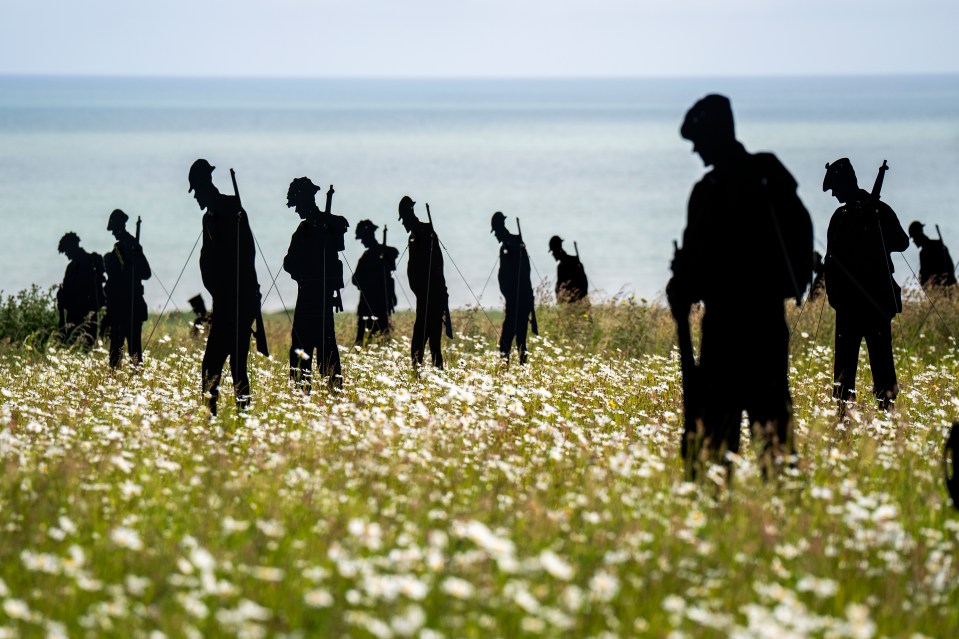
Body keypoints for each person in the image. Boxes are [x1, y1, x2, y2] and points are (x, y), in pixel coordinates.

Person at [667, 94, 812, 476]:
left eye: (698, 140)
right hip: (767, 325)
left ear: (715, 134)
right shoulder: (768, 178)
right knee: (775, 435)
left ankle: (720, 517)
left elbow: (696, 269)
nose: (696, 150)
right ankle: (785, 509)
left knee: (716, 445)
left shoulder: (710, 191)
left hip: (726, 331)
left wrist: (681, 285)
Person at [823, 158, 909, 413]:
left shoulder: (870, 212)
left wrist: (876, 231)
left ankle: (883, 417)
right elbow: (831, 261)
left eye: (835, 187)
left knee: (877, 366)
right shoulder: (844, 216)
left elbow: (900, 242)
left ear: (846, 182)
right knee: (848, 369)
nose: (834, 193)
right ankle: (847, 417)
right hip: (858, 305)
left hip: (868, 304)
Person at [188, 159, 266, 415]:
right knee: (211, 367)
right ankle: (211, 415)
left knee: (236, 367)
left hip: (239, 301)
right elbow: (208, 257)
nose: (196, 197)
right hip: (222, 301)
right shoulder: (208, 217)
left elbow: (247, 254)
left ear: (205, 185)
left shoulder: (232, 208)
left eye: (197, 191)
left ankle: (241, 416)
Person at [283, 177, 348, 391]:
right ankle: (329, 391)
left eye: (297, 204)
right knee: (320, 346)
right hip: (317, 297)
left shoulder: (316, 227)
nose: (296, 210)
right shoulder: (313, 227)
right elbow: (290, 264)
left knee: (311, 347)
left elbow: (290, 263)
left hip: (313, 298)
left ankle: (316, 391)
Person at [398, 195, 449, 368]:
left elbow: (435, 266)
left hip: (432, 297)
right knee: (429, 343)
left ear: (409, 215)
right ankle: (426, 376)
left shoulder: (425, 233)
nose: (403, 223)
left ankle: (421, 376)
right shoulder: (416, 234)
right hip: (425, 297)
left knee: (424, 343)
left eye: (404, 219)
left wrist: (431, 291)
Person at [103, 209, 151, 367]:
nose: (113, 234)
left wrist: (134, 261)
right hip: (120, 307)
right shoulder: (121, 248)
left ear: (119, 227)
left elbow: (146, 272)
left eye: (114, 230)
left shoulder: (132, 246)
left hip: (130, 305)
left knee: (133, 352)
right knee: (117, 350)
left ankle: (135, 378)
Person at [492, 212, 536, 363]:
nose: (495, 235)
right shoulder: (509, 244)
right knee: (516, 338)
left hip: (519, 300)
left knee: (513, 339)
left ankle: (512, 369)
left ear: (499, 229)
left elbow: (523, 273)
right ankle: (513, 368)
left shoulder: (514, 244)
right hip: (514, 300)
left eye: (496, 231)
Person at [351, 219, 398, 345]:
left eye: (363, 238)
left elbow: (393, 258)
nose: (362, 241)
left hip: (380, 303)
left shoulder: (384, 253)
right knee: (364, 338)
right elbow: (355, 280)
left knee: (381, 337)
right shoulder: (366, 257)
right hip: (369, 303)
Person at [56, 232, 105, 347]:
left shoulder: (90, 263)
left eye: (67, 251)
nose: (67, 255)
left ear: (73, 247)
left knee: (84, 346)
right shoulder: (72, 267)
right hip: (74, 315)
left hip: (86, 315)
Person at [908, 221, 957, 289]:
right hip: (944, 288)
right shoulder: (938, 244)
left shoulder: (925, 252)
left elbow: (924, 276)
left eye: (913, 238)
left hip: (940, 289)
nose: (913, 241)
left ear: (918, 235)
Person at [548, 236, 588, 303]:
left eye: (553, 251)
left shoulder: (563, 266)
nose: (553, 254)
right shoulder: (574, 261)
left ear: (557, 250)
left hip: (572, 303)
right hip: (576, 302)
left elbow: (561, 287)